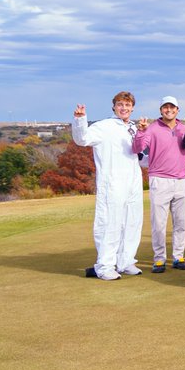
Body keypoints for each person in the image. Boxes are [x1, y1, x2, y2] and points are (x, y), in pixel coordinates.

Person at [73, 92, 144, 280]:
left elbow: (142, 154)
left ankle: (126, 261)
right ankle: (105, 265)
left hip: (133, 181)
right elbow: (82, 139)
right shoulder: (103, 127)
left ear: (132, 108)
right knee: (109, 223)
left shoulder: (134, 128)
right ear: (114, 107)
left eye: (127, 105)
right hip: (112, 182)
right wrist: (80, 120)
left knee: (132, 222)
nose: (124, 108)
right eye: (120, 104)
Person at [132, 96, 185, 273]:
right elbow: (137, 148)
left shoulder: (184, 128)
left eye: (172, 107)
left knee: (181, 222)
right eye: (165, 107)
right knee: (159, 223)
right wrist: (141, 131)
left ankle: (178, 257)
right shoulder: (151, 128)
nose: (169, 110)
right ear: (161, 110)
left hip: (182, 180)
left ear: (177, 110)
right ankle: (159, 259)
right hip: (159, 179)